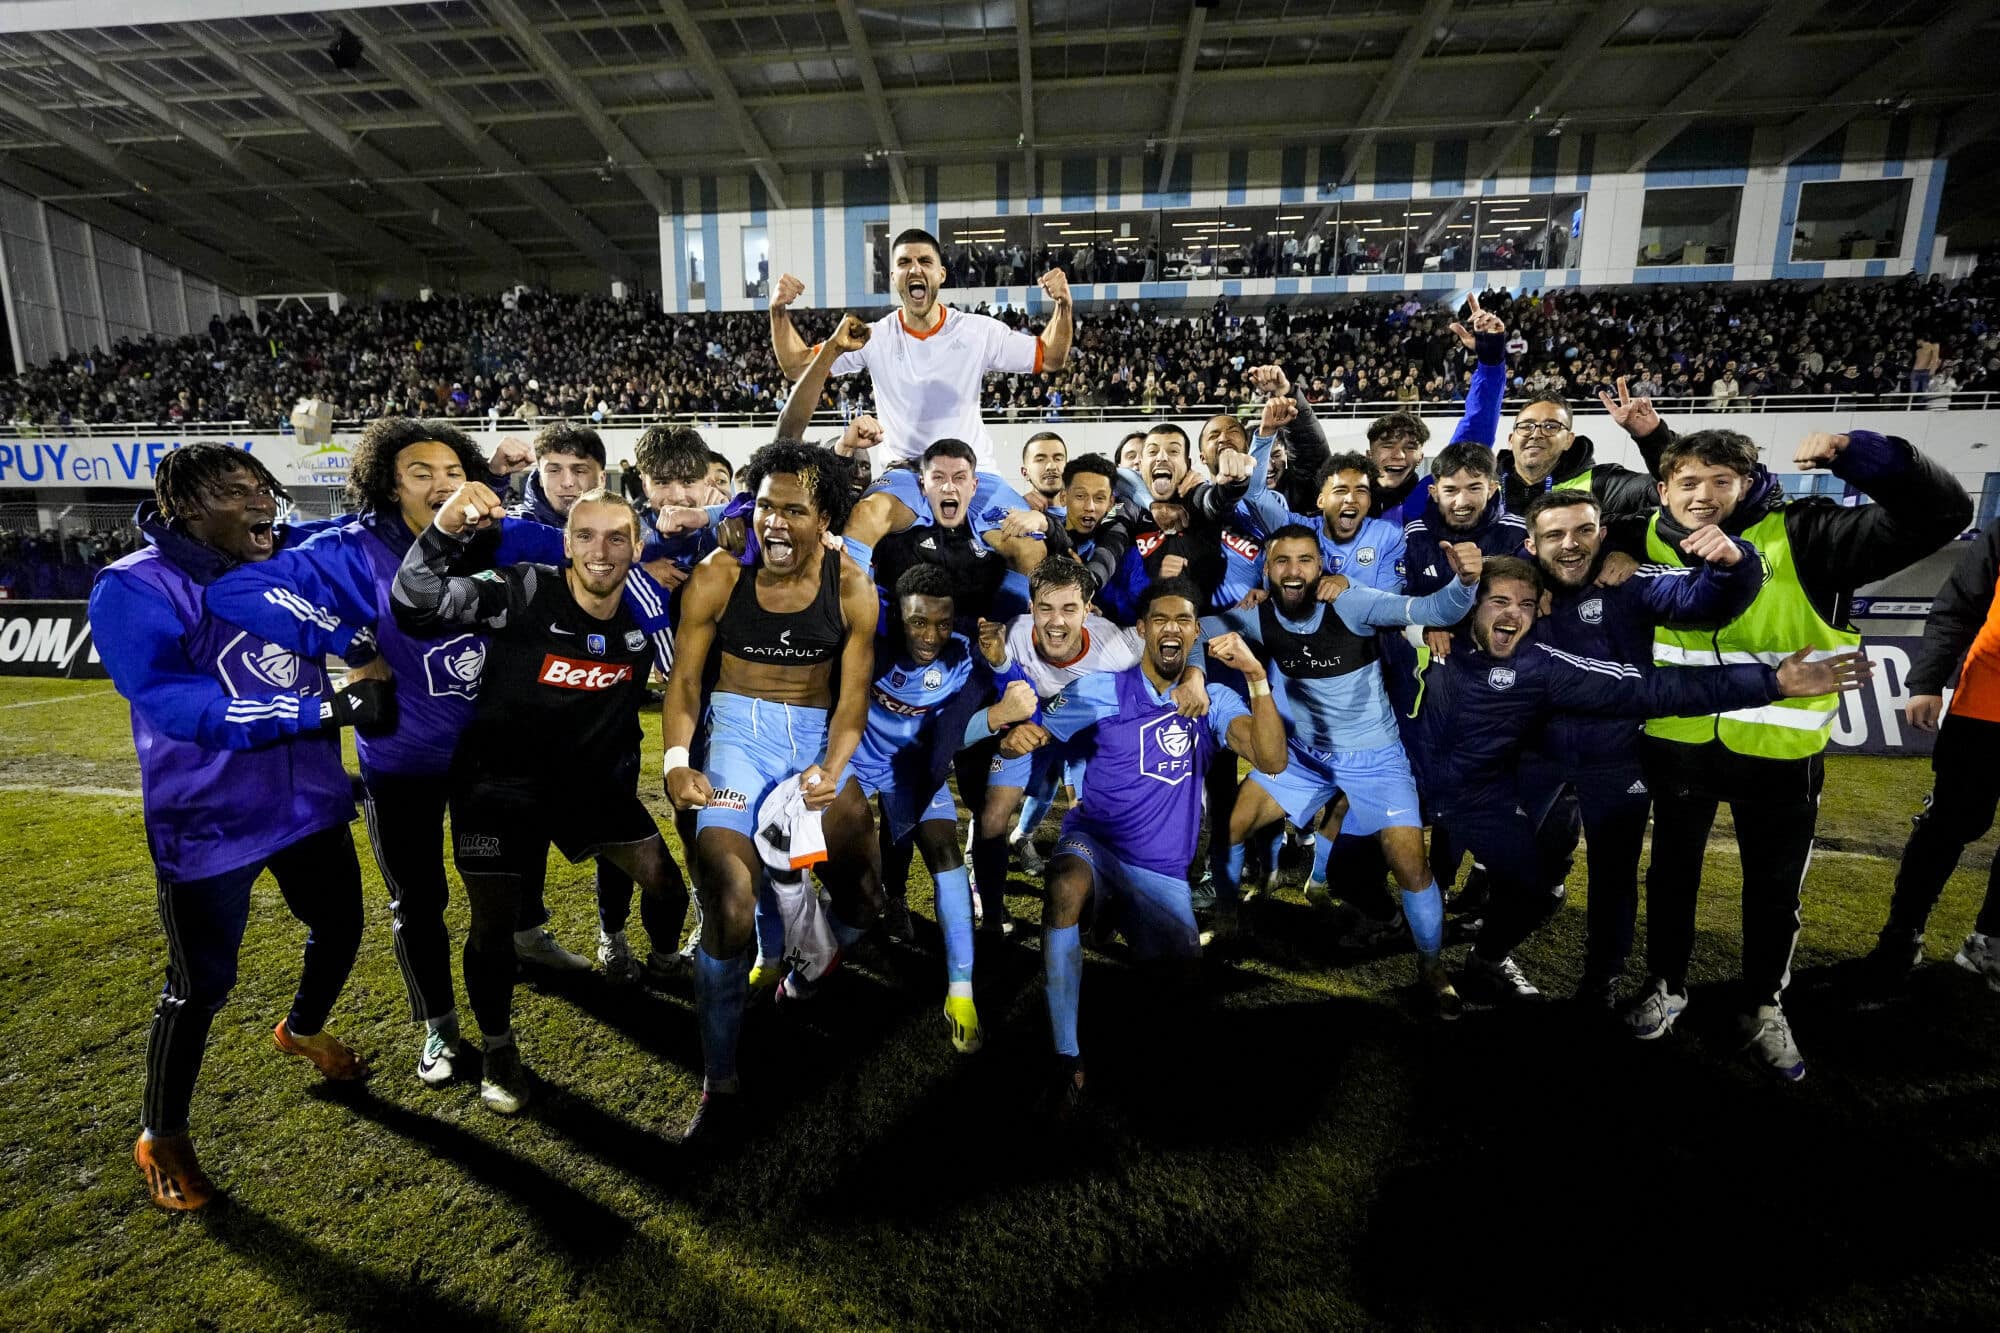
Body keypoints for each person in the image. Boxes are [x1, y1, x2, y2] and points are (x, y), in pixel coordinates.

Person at [1611, 428, 1971, 1078]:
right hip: (1677, 743)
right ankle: (1666, 985)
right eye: (1688, 483)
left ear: (1750, 484)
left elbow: (1943, 513)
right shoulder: (1644, 535)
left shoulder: (1807, 533)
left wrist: (1860, 453)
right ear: (1662, 490)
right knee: (1669, 880)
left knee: (1774, 893)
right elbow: (1568, 534)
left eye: (1722, 481)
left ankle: (1763, 1005)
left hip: (1780, 751)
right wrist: (1610, 544)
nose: (1703, 495)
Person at [91, 444, 384, 1211]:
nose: (260, 501)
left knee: (342, 926)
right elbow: (177, 704)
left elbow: (368, 539)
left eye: (262, 487)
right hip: (210, 825)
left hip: (309, 803)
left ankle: (303, 1029)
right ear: (188, 507)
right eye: (235, 490)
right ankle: (161, 1134)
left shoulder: (283, 559)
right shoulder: (133, 586)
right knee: (201, 986)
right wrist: (320, 708)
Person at [1397, 555, 1871, 1007]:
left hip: (1481, 795)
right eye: (1499, 601)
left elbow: (1654, 688)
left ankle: (1489, 959)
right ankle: (1380, 920)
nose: (1513, 613)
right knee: (1369, 864)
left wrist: (1773, 682)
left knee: (1538, 887)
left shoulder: (1540, 666)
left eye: (1525, 603)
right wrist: (1424, 623)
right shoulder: (1431, 637)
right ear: (1472, 605)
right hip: (1401, 787)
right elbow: (1379, 615)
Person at [392, 482, 692, 1115]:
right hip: (497, 786)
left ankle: (665, 962)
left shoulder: (649, 612)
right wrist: (444, 529)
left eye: (617, 537)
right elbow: (416, 603)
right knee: (493, 929)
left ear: (638, 547)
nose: (601, 551)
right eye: (586, 536)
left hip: (588, 787)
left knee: (667, 886)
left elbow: (687, 679)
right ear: (567, 543)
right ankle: (498, 1049)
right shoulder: (522, 588)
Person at [993, 580, 1287, 1114]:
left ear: (1194, 633)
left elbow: (1271, 760)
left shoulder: (1212, 702)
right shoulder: (1101, 689)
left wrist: (1256, 677)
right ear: (1142, 629)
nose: (1171, 628)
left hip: (1161, 870)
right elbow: (1036, 729)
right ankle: (1066, 1056)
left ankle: (1111, 916)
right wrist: (1013, 742)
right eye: (1160, 619)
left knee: (1179, 995)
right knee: (1064, 885)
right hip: (1096, 841)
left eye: (1183, 620)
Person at [662, 441, 881, 1143]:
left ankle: (803, 974)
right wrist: (676, 760)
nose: (775, 523)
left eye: (794, 510)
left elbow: (853, 700)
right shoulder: (719, 574)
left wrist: (833, 766)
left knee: (866, 896)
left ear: (827, 519)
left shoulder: (852, 585)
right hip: (736, 742)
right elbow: (685, 681)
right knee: (728, 900)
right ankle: (720, 1078)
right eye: (764, 507)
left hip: (815, 743)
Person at [1202, 526, 1482, 1015]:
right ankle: (1227, 921)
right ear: (1267, 569)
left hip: (1375, 758)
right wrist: (1190, 671)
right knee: (1233, 826)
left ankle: (1431, 968)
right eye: (1282, 561)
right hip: (1305, 756)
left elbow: (1433, 611)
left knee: (1411, 868)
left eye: (1305, 560)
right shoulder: (1255, 614)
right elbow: (1191, 627)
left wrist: (1465, 583)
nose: (1293, 571)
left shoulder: (1351, 603)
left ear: (1321, 566)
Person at [1517, 488, 1763, 1007]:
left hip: (1616, 756)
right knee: (1511, 861)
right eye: (1555, 534)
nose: (1571, 544)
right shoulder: (1517, 586)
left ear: (1603, 534)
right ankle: (1493, 952)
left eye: (1584, 531)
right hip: (1534, 755)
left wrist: (1731, 565)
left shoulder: (1630, 579)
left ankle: (1601, 980)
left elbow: (1701, 599)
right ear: (1531, 544)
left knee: (1613, 875)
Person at [969, 556, 1209, 934]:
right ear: (1031, 607)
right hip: (1033, 730)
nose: (1056, 621)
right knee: (992, 816)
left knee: (1098, 817)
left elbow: (1185, 633)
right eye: (1045, 608)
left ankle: (1103, 905)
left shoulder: (1116, 645)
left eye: (1069, 609)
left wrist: (1195, 675)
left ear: (1087, 609)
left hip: (1087, 737)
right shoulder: (1011, 635)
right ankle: (991, 912)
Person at [853, 564, 1039, 1050]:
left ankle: (961, 992)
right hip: (852, 765)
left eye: (941, 623)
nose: (930, 636)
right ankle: (794, 955)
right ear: (900, 617)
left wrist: (1003, 684)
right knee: (852, 883)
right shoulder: (871, 643)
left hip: (917, 769)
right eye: (918, 622)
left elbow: (1012, 702)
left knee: (947, 855)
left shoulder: (964, 653)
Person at [1865, 512, 2000, 995]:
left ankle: (1989, 941)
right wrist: (1926, 681)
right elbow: (1957, 606)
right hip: (1986, 706)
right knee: (1950, 824)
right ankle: (1902, 933)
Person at [1495, 390, 1656, 520]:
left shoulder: (1603, 484)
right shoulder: (1487, 487)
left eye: (1551, 426)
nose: (1536, 434)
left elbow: (1663, 490)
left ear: (1569, 440)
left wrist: (1653, 438)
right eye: (1526, 426)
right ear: (1511, 439)